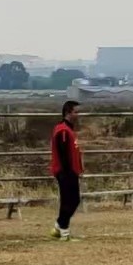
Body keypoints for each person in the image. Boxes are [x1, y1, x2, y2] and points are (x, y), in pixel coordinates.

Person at [49, 100, 83, 240]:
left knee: (74, 199)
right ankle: (63, 230)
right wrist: (67, 173)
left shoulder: (69, 130)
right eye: (76, 112)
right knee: (69, 200)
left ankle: (59, 226)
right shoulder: (63, 130)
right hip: (65, 172)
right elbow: (63, 153)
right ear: (68, 113)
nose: (78, 115)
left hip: (71, 171)